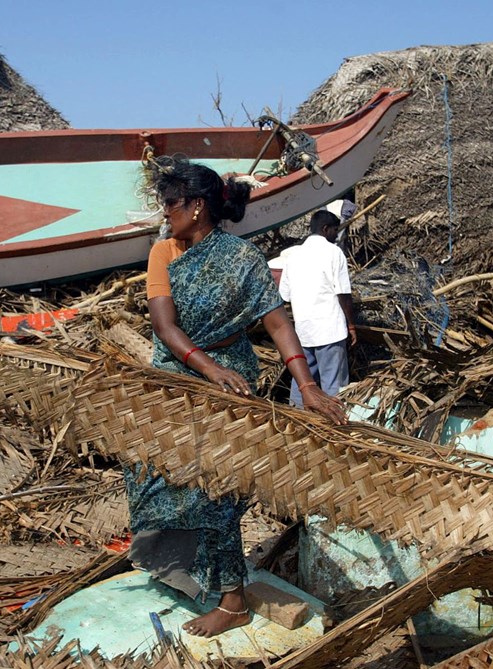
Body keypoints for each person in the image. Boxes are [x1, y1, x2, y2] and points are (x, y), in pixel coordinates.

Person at [138, 155, 346, 638]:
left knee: (219, 489)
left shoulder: (241, 257)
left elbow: (277, 322)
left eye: (170, 203)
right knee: (166, 483)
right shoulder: (163, 252)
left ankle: (232, 600)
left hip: (230, 388)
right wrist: (210, 369)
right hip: (179, 378)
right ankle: (192, 575)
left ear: (195, 207)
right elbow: (165, 327)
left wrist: (309, 387)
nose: (164, 211)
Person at [278, 210, 356, 407]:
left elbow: (284, 296)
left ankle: (296, 422)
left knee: (303, 383)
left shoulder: (293, 256)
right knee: (334, 387)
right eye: (335, 231)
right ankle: (337, 429)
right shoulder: (334, 252)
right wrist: (351, 324)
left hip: (303, 331)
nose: (336, 235)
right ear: (325, 229)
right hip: (329, 329)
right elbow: (343, 294)